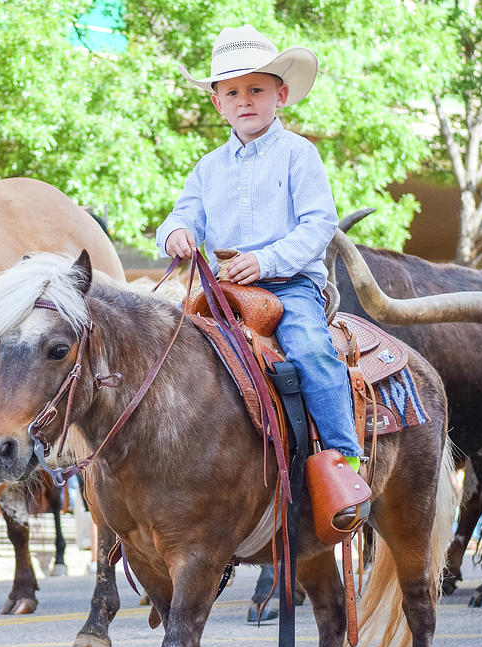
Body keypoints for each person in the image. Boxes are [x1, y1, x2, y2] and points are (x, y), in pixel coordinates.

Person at [156, 25, 368, 532]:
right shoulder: (207, 169)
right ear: (217, 104)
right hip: (223, 294)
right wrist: (178, 235)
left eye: (256, 89)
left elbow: (319, 225)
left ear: (281, 94)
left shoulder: (299, 154)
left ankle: (344, 463)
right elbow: (178, 217)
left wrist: (267, 260)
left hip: (289, 285)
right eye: (233, 92)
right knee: (162, 356)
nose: (245, 100)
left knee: (313, 351)